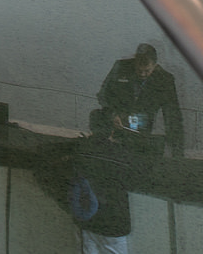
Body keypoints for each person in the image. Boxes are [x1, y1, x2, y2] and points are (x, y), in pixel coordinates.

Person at [63, 109, 135, 254]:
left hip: (87, 220)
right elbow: (135, 171)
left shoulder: (80, 148)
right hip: (114, 223)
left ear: (91, 126)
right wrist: (125, 132)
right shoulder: (121, 154)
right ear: (113, 128)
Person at [98, 42, 183, 157]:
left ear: (155, 65)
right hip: (115, 127)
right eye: (139, 70)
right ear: (134, 62)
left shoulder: (165, 80)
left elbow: (172, 116)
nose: (142, 74)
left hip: (142, 133)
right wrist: (113, 114)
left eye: (147, 71)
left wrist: (177, 152)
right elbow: (103, 94)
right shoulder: (120, 67)